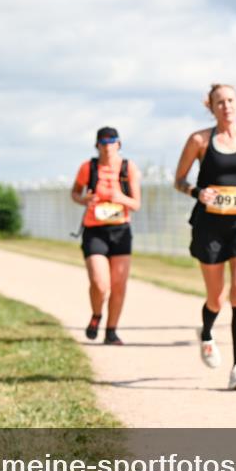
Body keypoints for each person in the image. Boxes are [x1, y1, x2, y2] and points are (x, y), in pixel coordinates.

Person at [174, 83, 236, 390]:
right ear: (211, 107)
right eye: (220, 102)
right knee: (216, 298)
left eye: (231, 100)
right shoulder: (199, 140)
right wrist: (196, 192)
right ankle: (206, 333)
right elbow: (178, 180)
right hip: (210, 226)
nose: (227, 106)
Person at [70, 127, 141, 346]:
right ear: (97, 145)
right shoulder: (88, 167)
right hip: (95, 230)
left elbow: (136, 204)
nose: (107, 146)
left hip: (120, 231)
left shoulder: (129, 168)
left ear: (119, 144)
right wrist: (85, 200)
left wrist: (119, 197)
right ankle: (96, 315)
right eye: (103, 142)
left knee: (119, 285)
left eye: (112, 141)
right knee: (100, 283)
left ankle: (111, 331)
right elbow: (75, 192)